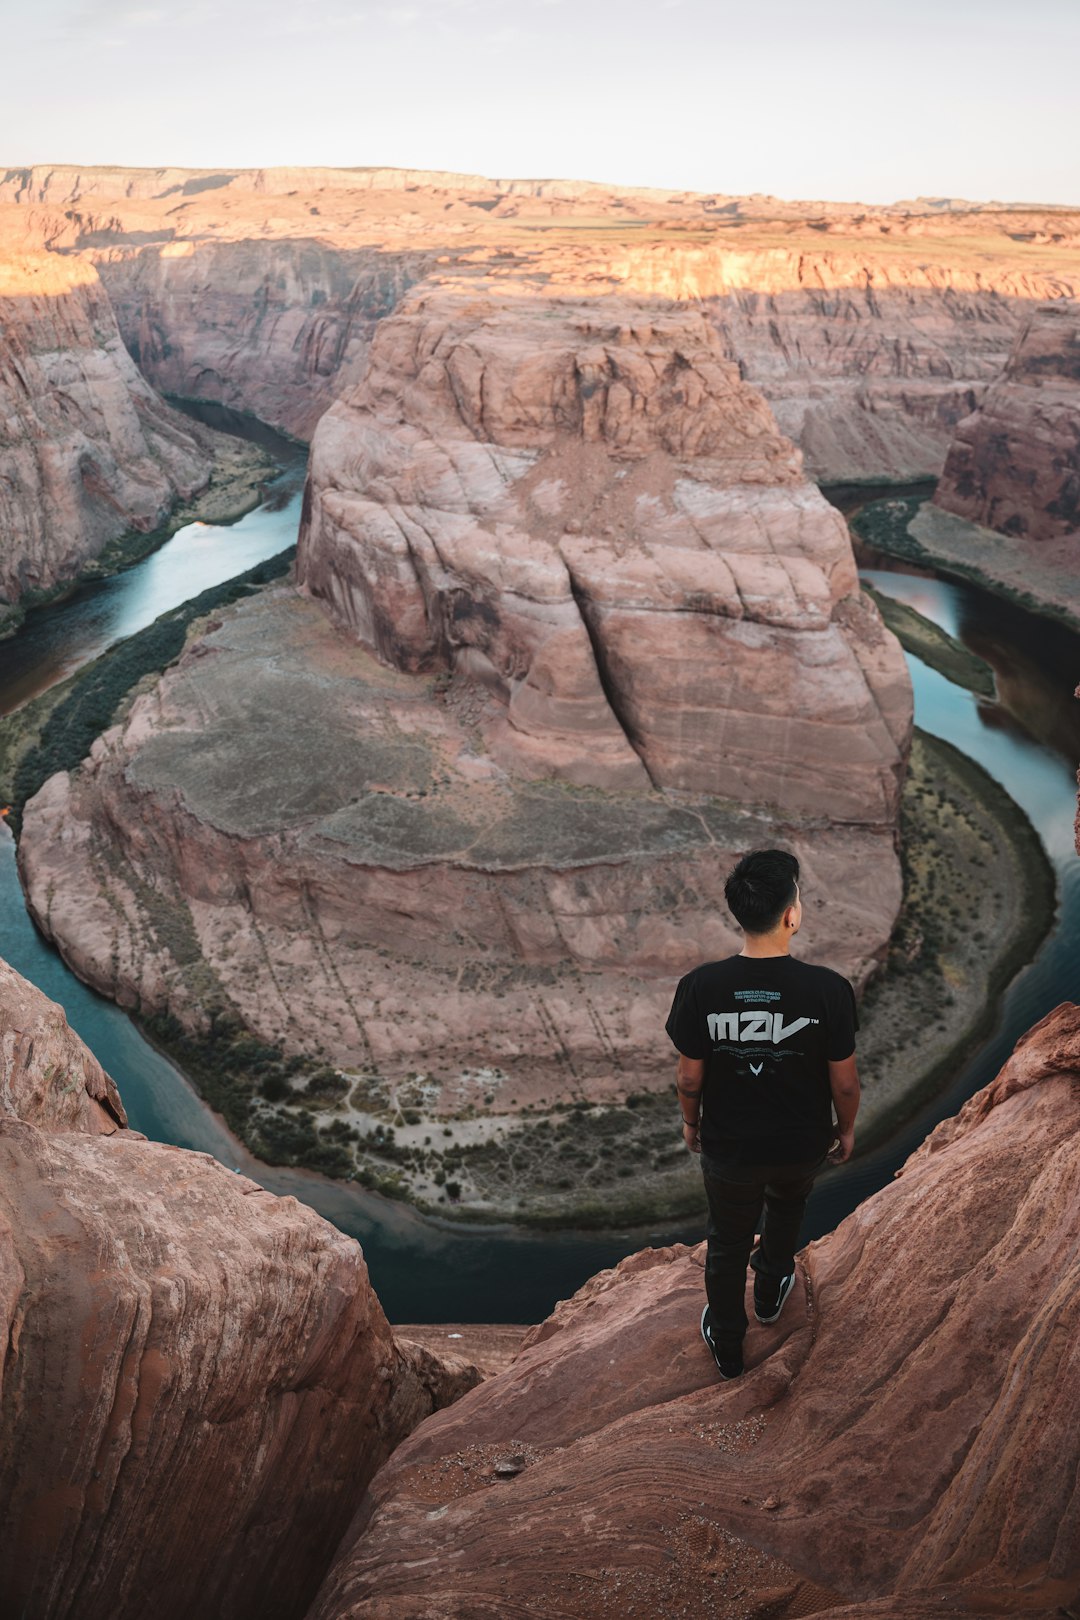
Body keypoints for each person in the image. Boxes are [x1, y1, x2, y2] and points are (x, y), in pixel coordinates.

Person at [665, 848, 860, 1381]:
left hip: (730, 1148)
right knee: (788, 1207)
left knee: (727, 1242)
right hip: (802, 1144)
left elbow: (688, 1077)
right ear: (792, 915)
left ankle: (728, 1343)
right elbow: (843, 1081)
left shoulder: (700, 987)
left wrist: (689, 1122)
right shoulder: (828, 990)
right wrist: (845, 1130)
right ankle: (773, 1287)